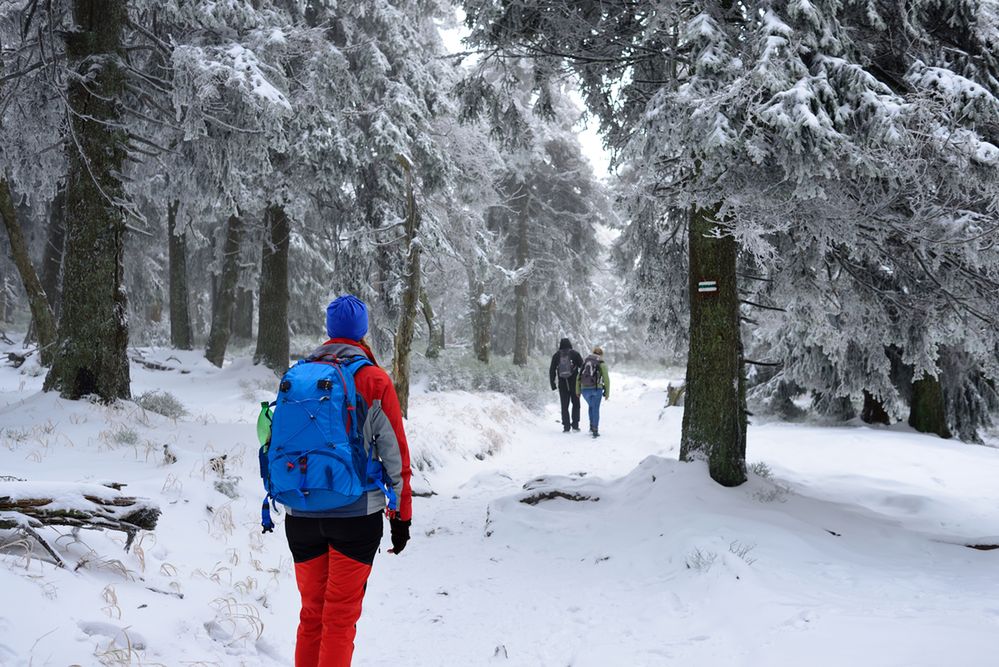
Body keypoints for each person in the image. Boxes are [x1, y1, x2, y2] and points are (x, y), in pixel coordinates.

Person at [284, 295, 412, 667]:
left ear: (329, 329)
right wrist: (401, 517)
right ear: (363, 330)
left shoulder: (300, 375)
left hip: (302, 512)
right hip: (356, 514)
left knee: (311, 615)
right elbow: (396, 456)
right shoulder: (373, 379)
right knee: (339, 618)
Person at [549, 338, 583, 432]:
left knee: (564, 405)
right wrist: (582, 381)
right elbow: (583, 367)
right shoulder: (575, 354)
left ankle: (566, 427)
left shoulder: (556, 355)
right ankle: (575, 426)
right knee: (576, 404)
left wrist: (553, 384)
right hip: (574, 384)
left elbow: (552, 370)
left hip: (562, 384)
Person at [577, 346, 610, 437]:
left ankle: (591, 426)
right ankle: (595, 429)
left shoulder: (585, 361)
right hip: (596, 389)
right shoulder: (601, 363)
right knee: (595, 408)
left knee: (591, 406)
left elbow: (578, 377)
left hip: (584, 390)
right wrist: (607, 393)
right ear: (601, 354)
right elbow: (606, 379)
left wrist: (577, 391)